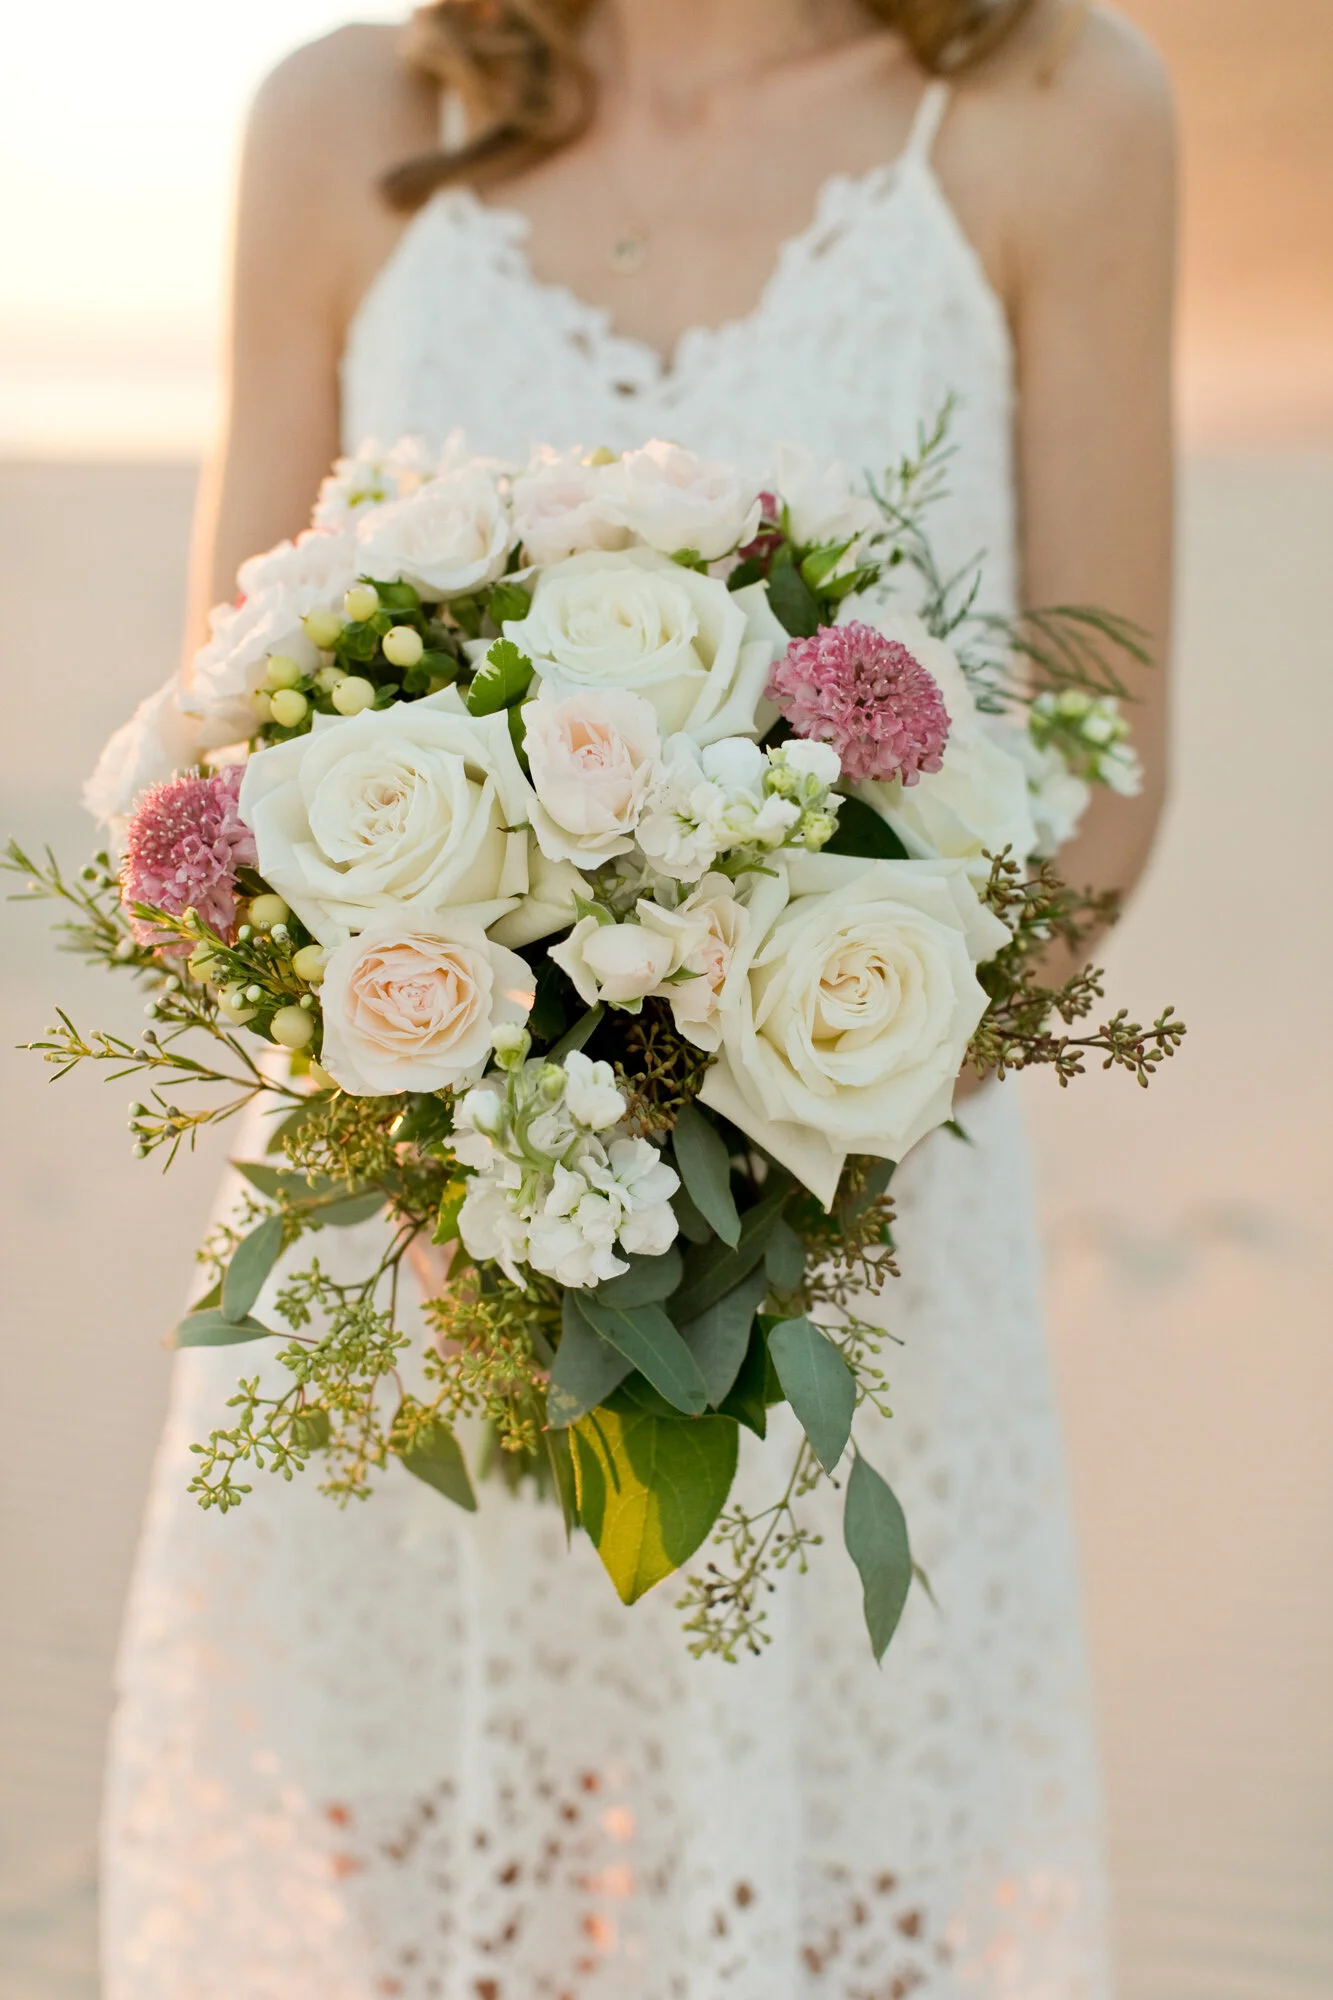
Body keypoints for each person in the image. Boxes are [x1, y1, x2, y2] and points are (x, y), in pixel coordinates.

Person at [102, 2, 1174, 1993]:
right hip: (404, 1230)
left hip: (861, 1223)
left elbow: (1101, 769)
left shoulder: (1046, 103)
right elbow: (224, 739)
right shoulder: (349, 116)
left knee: (862, 1917)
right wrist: (452, 1145)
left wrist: (776, 1110)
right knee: (438, 1925)